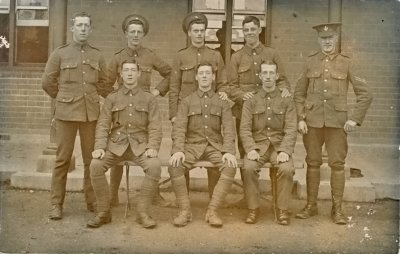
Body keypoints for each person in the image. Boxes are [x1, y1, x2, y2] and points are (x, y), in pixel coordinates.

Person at [294, 23, 373, 225]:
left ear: (336, 40)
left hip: (337, 123)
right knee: (312, 163)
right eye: (323, 39)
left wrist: (354, 118)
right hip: (312, 122)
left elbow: (365, 94)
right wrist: (301, 118)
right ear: (318, 40)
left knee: (337, 165)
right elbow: (299, 93)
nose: (327, 42)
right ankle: (311, 206)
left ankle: (337, 209)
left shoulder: (346, 63)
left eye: (330, 39)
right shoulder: (310, 62)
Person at [42, 12, 109, 220]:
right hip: (66, 114)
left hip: (90, 115)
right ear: (72, 29)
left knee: (92, 160)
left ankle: (92, 201)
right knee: (62, 159)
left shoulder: (97, 56)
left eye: (85, 26)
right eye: (78, 25)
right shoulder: (60, 54)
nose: (82, 29)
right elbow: (47, 82)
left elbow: (104, 83)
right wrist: (63, 97)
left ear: (90, 30)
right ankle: (56, 204)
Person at [87, 60, 162, 229]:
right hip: (116, 145)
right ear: (121, 74)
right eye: (126, 70)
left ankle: (142, 212)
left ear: (139, 74)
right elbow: (103, 124)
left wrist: (153, 147)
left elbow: (156, 125)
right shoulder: (112, 98)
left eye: (133, 70)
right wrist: (99, 146)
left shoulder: (148, 98)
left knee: (155, 166)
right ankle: (104, 212)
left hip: (140, 145)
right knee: (95, 165)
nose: (129, 73)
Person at [106, 14, 171, 207]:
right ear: (126, 34)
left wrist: (157, 91)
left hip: (145, 111)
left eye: (139, 32)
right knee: (118, 146)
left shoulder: (150, 55)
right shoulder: (118, 57)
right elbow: (105, 83)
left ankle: (154, 193)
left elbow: (169, 73)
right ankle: (113, 194)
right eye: (132, 32)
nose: (135, 35)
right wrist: (117, 99)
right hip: (122, 112)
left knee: (150, 146)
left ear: (143, 35)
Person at [227, 15, 291, 207]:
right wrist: (241, 96)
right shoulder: (237, 57)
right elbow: (230, 85)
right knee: (247, 154)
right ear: (243, 33)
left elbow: (283, 79)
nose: (249, 34)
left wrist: (284, 90)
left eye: (253, 30)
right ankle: (249, 199)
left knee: (274, 154)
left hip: (270, 112)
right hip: (245, 113)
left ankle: (275, 198)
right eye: (246, 31)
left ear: (259, 30)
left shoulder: (272, 54)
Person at [168, 63, 237, 227]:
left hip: (214, 147)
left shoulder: (222, 102)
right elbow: (179, 128)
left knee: (230, 166)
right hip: (192, 146)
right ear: (196, 77)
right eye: (201, 73)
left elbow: (228, 128)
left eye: (208, 73)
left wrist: (228, 151)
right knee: (174, 165)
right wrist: (178, 150)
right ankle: (185, 211)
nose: (205, 76)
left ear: (213, 77)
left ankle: (213, 211)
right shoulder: (186, 101)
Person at [169, 12, 229, 197]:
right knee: (180, 155)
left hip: (210, 112)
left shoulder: (215, 55)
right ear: (189, 33)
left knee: (213, 145)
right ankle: (183, 199)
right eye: (195, 31)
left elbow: (222, 84)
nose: (199, 34)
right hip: (184, 114)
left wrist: (224, 96)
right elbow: (174, 87)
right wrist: (173, 114)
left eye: (202, 31)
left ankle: (214, 197)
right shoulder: (180, 57)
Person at [240, 61, 297, 225]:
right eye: (264, 73)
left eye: (271, 73)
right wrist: (250, 149)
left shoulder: (286, 100)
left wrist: (285, 151)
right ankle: (253, 209)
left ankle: (282, 209)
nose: (268, 77)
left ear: (277, 76)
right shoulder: (251, 100)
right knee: (249, 167)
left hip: (279, 146)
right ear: (260, 76)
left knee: (286, 169)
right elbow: (244, 129)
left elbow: (291, 128)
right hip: (258, 146)